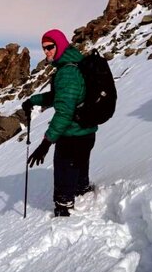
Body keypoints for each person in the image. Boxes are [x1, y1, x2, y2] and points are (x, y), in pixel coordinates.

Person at [22, 29, 97, 217]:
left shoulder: (67, 73)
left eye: (50, 47)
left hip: (72, 135)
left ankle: (64, 213)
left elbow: (64, 113)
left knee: (65, 173)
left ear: (60, 45)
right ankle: (83, 192)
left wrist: (46, 143)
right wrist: (33, 100)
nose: (46, 51)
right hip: (85, 131)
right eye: (44, 48)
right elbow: (60, 97)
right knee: (79, 168)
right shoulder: (74, 64)